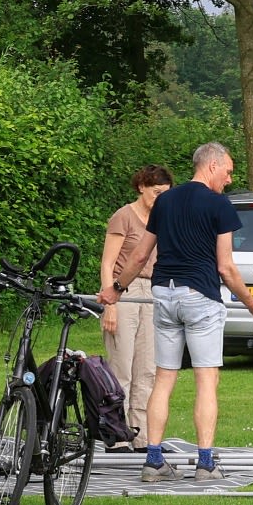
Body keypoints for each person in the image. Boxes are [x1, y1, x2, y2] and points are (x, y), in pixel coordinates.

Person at [99, 142, 253, 482]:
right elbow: (226, 267)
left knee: (163, 378)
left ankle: (153, 460)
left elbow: (139, 257)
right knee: (207, 380)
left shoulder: (165, 202)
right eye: (228, 171)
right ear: (212, 165)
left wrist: (115, 290)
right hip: (200, 297)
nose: (229, 179)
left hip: (164, 294)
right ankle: (205, 464)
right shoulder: (219, 205)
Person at [99, 164, 173, 452]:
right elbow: (108, 263)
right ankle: (117, 436)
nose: (159, 198)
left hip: (153, 290)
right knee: (122, 367)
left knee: (148, 369)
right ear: (141, 187)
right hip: (125, 289)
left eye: (165, 194)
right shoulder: (124, 217)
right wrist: (111, 305)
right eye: (156, 192)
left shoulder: (162, 218)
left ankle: (142, 437)